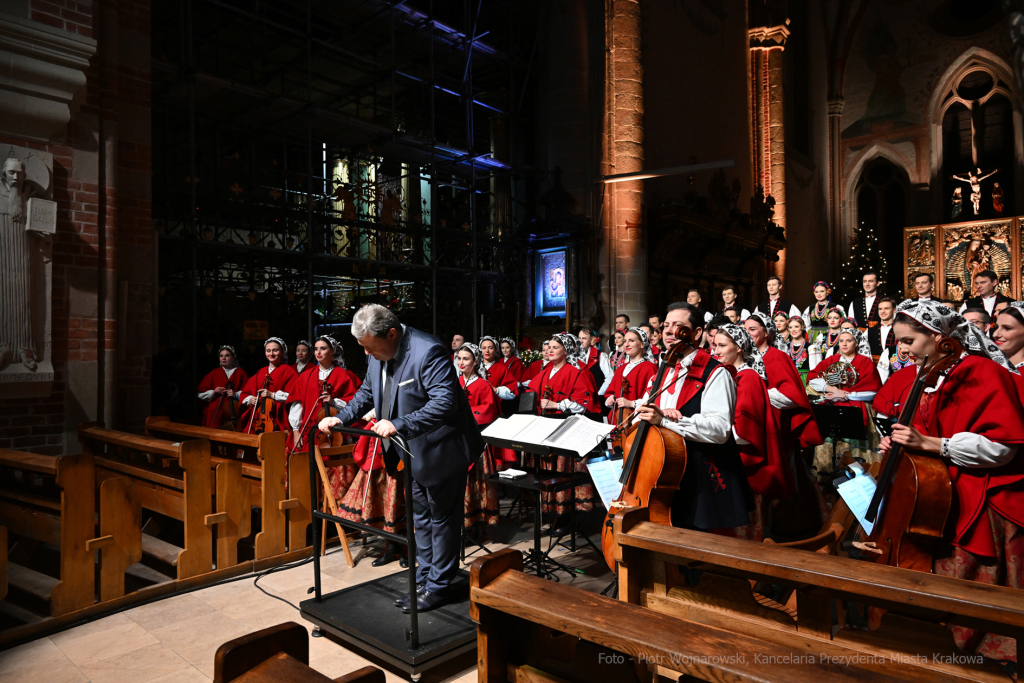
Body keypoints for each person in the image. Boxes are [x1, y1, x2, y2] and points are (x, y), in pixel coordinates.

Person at [872, 299, 1024, 666]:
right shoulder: (926, 373)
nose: (902, 350)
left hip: (979, 493)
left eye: (908, 340)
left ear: (937, 336)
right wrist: (898, 441)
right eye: (898, 342)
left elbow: (1002, 447)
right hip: (933, 490)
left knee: (972, 581)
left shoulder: (981, 372)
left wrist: (931, 444)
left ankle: (979, 663)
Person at [318, 304, 483, 613]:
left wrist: (399, 424)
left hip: (443, 449)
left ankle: (439, 586)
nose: (367, 354)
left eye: (370, 347)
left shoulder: (427, 351)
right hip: (413, 451)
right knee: (421, 516)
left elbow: (445, 403)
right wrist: (342, 418)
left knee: (442, 519)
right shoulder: (378, 353)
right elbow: (369, 391)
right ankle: (425, 576)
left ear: (391, 334)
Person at [633, 302, 752, 532]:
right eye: (666, 326)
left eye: (678, 326)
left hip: (701, 478)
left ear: (697, 333)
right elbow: (645, 410)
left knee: (699, 553)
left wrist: (666, 421)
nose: (668, 331)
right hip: (664, 473)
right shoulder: (663, 370)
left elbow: (719, 430)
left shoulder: (715, 373)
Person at [713, 324, 794, 541]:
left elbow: (744, 432)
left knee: (746, 532)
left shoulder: (747, 378)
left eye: (722, 345)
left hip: (745, 463)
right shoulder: (730, 374)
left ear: (739, 347)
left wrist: (710, 429)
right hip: (734, 458)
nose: (716, 351)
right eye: (715, 345)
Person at [533, 333, 598, 529]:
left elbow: (583, 403)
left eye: (555, 347)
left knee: (563, 470)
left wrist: (557, 403)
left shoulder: (574, 371)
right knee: (549, 470)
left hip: (565, 428)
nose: (550, 350)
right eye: (549, 347)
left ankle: (566, 514)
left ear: (566, 350)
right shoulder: (546, 370)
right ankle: (553, 511)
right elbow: (531, 389)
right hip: (547, 427)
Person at [455, 343, 503, 529]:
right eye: (459, 358)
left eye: (466, 359)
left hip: (477, 440)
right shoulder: (455, 382)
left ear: (475, 362)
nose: (461, 362)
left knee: (477, 480)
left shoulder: (483, 385)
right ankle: (463, 518)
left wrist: (464, 414)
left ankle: (480, 518)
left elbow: (489, 410)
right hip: (457, 439)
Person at [287, 336, 361, 454]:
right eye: (316, 349)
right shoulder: (305, 375)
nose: (318, 352)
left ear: (332, 351)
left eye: (323, 348)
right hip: (309, 429)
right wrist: (296, 430)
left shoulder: (343, 374)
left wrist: (333, 402)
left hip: (334, 431)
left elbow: (353, 403)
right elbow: (297, 403)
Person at [806, 329, 882, 429]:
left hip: (856, 406)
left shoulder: (865, 362)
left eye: (849, 341)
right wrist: (833, 390)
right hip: (831, 404)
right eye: (841, 341)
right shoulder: (831, 359)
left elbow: (873, 391)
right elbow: (813, 379)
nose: (844, 344)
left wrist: (845, 396)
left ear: (856, 343)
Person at [239, 337, 299, 433]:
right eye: (268, 351)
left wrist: (272, 395)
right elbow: (245, 393)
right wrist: (250, 399)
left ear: (282, 352)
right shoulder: (261, 371)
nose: (271, 354)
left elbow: (294, 396)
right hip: (258, 418)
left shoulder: (289, 371)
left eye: (275, 350)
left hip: (278, 418)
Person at [602, 327, 657, 427]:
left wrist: (631, 403)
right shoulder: (621, 368)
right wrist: (610, 398)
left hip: (636, 421)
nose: (626, 344)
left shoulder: (650, 368)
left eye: (631, 341)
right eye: (625, 341)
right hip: (617, 419)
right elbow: (611, 391)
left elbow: (654, 399)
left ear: (642, 344)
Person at [197, 345, 250, 429]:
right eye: (221, 356)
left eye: (227, 355)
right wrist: (213, 392)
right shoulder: (214, 373)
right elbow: (200, 394)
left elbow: (248, 393)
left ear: (233, 358)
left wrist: (235, 394)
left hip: (234, 412)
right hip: (216, 411)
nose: (223, 358)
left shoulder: (241, 373)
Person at [802, 281, 843, 345]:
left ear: (827, 292)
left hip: (830, 335)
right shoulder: (810, 308)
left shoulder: (836, 307)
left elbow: (843, 323)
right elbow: (805, 324)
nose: (819, 294)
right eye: (816, 292)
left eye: (822, 291)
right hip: (813, 337)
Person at [479, 336, 518, 401]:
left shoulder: (502, 369)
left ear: (495, 350)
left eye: (490, 348)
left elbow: (513, 391)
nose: (487, 351)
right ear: (480, 350)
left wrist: (497, 390)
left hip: (497, 406)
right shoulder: (474, 368)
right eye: (484, 348)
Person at [578, 327, 613, 396]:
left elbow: (610, 376)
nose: (581, 341)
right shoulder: (573, 355)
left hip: (595, 398)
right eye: (579, 338)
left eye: (584, 338)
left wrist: (600, 393)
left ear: (591, 340)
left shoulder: (600, 355)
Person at [784, 317, 811, 384]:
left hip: (805, 381)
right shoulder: (785, 347)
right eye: (790, 327)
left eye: (796, 326)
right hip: (790, 381)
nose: (793, 330)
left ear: (802, 328)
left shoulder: (810, 347)